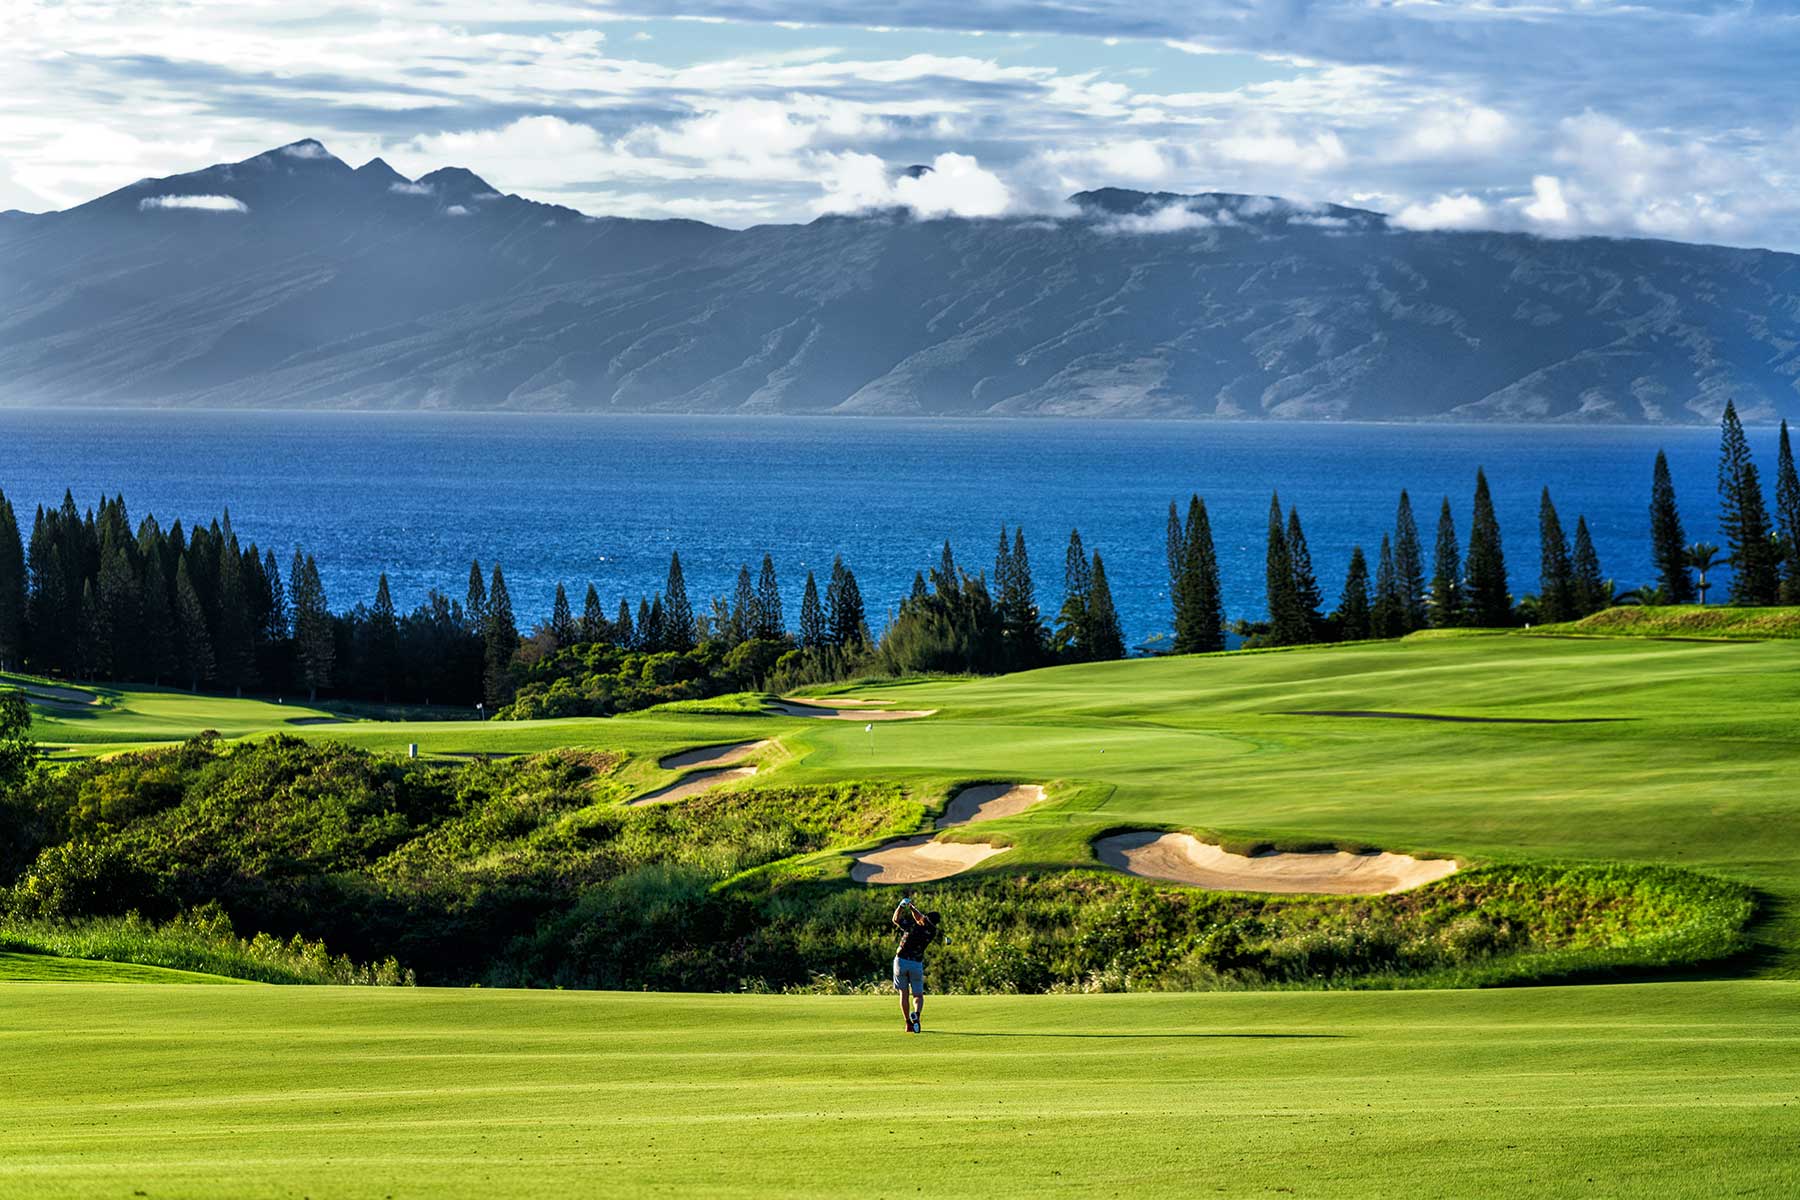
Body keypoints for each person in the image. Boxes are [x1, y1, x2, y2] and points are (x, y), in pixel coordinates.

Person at [891, 898, 939, 1034]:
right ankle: (916, 1015)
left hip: (901, 961)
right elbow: (921, 918)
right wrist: (912, 908)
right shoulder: (932, 932)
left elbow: (895, 919)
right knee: (918, 995)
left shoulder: (912, 926)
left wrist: (902, 906)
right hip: (916, 964)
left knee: (904, 994)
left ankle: (908, 1024)